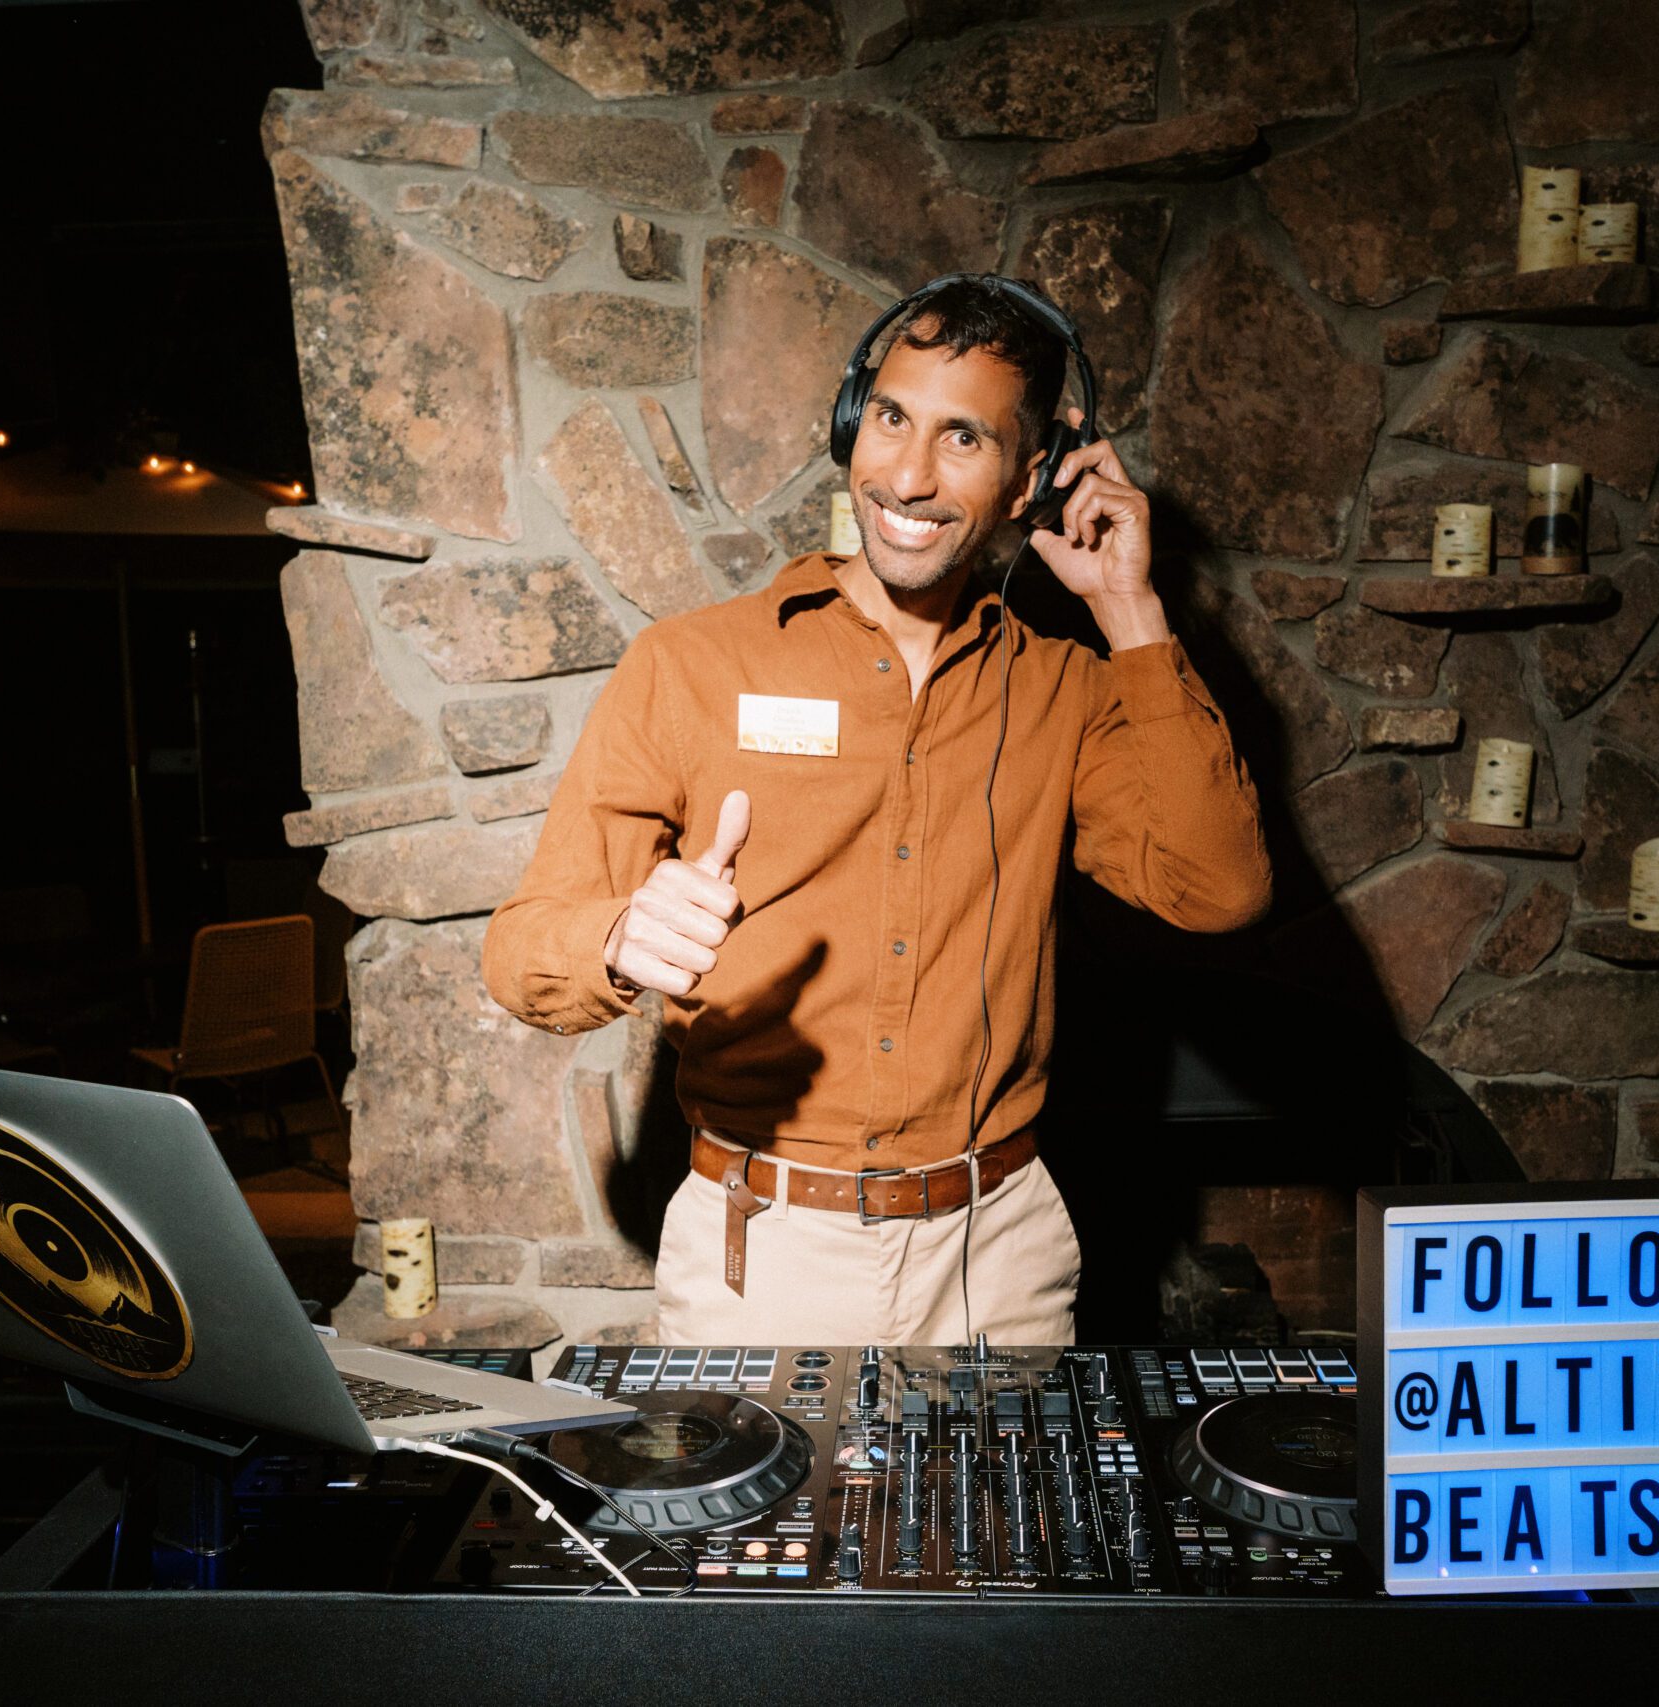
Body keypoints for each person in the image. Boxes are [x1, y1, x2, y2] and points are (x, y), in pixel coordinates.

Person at [482, 274, 1270, 1348]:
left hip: (997, 1257)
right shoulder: (691, 664)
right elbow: (522, 949)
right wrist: (619, 938)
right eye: (891, 418)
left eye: (963, 439)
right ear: (855, 424)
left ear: (1027, 477)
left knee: (1010, 1528)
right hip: (760, 1253)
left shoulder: (1068, 690)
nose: (906, 474)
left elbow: (1216, 890)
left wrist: (1126, 609)